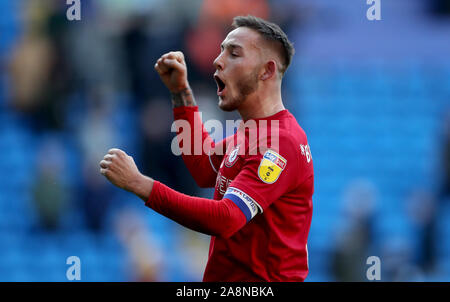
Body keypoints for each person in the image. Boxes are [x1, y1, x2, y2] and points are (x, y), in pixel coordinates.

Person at [99, 15, 314, 281]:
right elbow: (203, 168)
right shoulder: (253, 131)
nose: (218, 60)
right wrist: (181, 93)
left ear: (266, 71)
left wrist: (140, 184)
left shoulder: (280, 143)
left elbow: (226, 218)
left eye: (234, 53)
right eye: (222, 50)